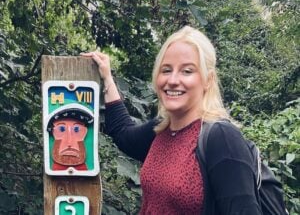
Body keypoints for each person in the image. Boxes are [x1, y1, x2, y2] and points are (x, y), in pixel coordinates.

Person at [81, 26, 262, 214]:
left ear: (208, 80)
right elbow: (123, 134)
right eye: (166, 70)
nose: (173, 80)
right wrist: (108, 79)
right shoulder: (162, 130)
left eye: (187, 71)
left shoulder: (222, 138)